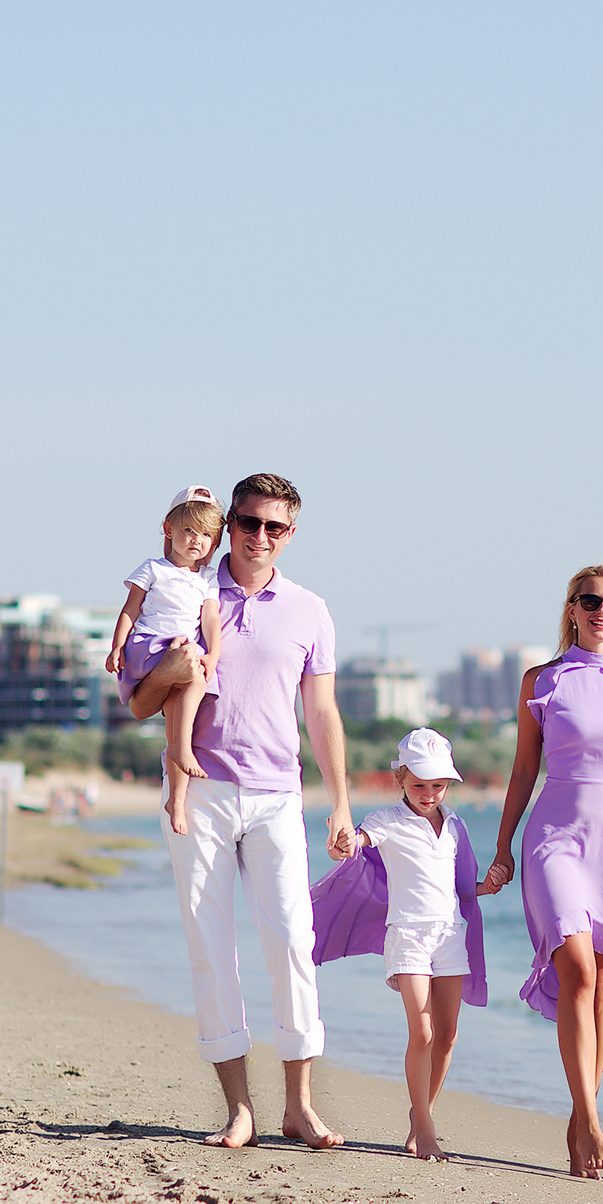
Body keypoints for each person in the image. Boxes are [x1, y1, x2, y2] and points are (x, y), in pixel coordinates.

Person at [162, 472, 356, 1150]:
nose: (259, 536)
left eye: (274, 526)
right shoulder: (188, 594)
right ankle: (239, 1108)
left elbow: (322, 711)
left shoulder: (310, 610)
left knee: (293, 944)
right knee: (211, 950)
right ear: (229, 525)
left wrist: (340, 804)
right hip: (201, 792)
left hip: (278, 797)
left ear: (291, 534)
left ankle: (299, 1107)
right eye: (248, 522)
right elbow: (144, 688)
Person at [478, 565, 603, 1179]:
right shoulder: (541, 680)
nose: (602, 611)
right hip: (554, 839)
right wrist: (503, 845)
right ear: (572, 608)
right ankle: (592, 1122)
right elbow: (523, 770)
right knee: (576, 967)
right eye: (590, 600)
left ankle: (580, 1124)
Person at [309, 728, 487, 1161]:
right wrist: (344, 841)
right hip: (407, 936)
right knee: (422, 1031)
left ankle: (420, 1111)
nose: (429, 794)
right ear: (400, 779)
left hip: (450, 935)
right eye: (420, 785)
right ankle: (425, 1128)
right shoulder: (386, 821)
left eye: (438, 785)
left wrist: (489, 885)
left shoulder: (456, 826)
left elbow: (463, 887)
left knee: (447, 1036)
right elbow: (356, 844)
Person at [104, 485, 224, 834]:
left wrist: (214, 654)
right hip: (149, 646)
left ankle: (177, 799)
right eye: (189, 530)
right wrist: (117, 646)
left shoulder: (207, 579)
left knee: (179, 715)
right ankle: (183, 750)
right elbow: (130, 610)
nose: (197, 540)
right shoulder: (154, 569)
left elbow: (211, 619)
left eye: (206, 535)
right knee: (194, 676)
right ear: (169, 529)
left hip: (183, 651)